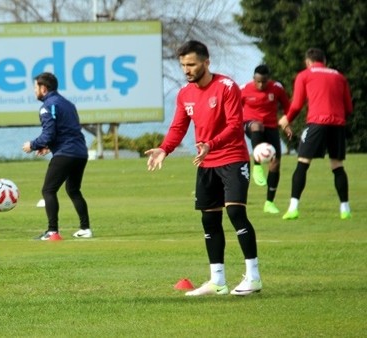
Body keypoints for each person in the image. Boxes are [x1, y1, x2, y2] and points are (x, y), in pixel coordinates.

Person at [145, 40, 262, 296]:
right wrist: (165, 148)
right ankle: (217, 282)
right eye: (183, 65)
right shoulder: (185, 94)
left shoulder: (227, 87)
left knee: (235, 214)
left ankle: (253, 277)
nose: (186, 70)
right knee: (209, 220)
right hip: (206, 161)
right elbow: (178, 126)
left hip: (232, 158)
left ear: (206, 62)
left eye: (191, 64)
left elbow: (234, 125)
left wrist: (211, 143)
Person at [278, 48, 353, 220]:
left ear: (308, 62)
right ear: (324, 61)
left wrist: (286, 119)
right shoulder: (339, 76)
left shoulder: (305, 75)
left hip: (317, 123)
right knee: (337, 166)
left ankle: (293, 208)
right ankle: (345, 209)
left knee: (302, 164)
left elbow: (296, 104)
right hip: (338, 124)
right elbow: (349, 107)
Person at [22, 72, 92, 241]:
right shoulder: (68, 104)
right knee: (73, 190)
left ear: (43, 88)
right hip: (81, 153)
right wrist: (48, 146)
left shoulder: (47, 106)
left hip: (66, 153)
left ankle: (52, 231)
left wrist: (33, 145)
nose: (34, 91)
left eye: (35, 87)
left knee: (48, 190)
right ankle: (85, 228)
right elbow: (67, 130)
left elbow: (49, 133)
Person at [240, 64, 290, 214]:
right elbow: (232, 107)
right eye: (258, 81)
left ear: (269, 79)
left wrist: (287, 123)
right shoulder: (244, 89)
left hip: (271, 127)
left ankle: (269, 202)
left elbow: (287, 107)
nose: (261, 85)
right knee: (257, 126)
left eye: (264, 81)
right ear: (253, 79)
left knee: (275, 163)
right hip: (251, 125)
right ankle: (257, 166)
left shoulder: (276, 88)